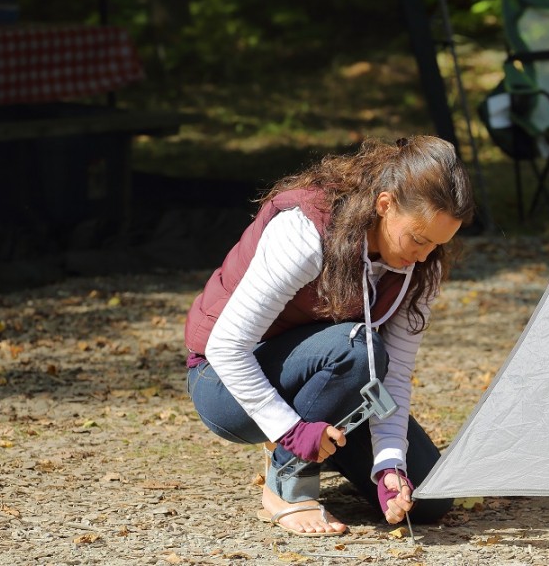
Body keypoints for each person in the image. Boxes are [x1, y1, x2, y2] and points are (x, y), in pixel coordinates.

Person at [183, 135, 474, 536]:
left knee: (428, 499)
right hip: (222, 384)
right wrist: (291, 431)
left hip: (332, 380)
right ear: (385, 205)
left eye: (438, 244)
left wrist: (390, 460)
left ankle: (327, 442)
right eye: (419, 239)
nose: (424, 256)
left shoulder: (423, 267)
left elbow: (394, 372)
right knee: (357, 348)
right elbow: (226, 347)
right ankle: (288, 482)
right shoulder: (305, 233)